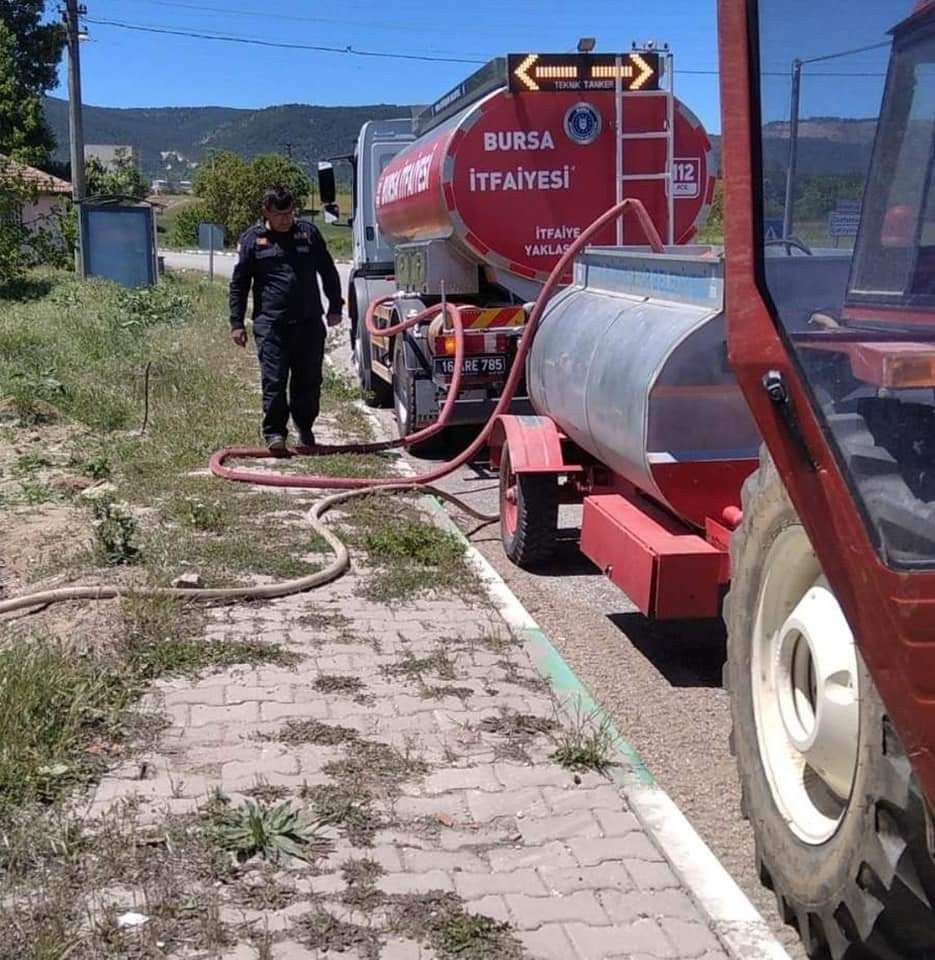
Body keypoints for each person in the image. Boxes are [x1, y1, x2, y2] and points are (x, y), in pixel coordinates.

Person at [228, 185, 344, 453]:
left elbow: (327, 271)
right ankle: (275, 433)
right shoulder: (253, 240)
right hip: (271, 325)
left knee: (308, 380)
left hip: (308, 323)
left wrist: (335, 306)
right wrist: (237, 323)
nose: (286, 218)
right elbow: (239, 283)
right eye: (280, 214)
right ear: (266, 212)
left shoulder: (308, 234)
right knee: (274, 380)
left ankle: (304, 428)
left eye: (290, 212)